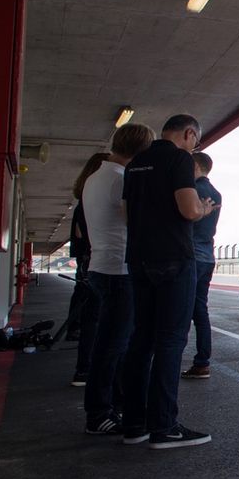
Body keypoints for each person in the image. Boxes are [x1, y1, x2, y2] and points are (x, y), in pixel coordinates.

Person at [120, 114, 218, 449]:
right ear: (190, 134)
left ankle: (133, 423)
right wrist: (203, 210)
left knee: (141, 338)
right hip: (174, 258)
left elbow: (125, 212)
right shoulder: (179, 159)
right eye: (196, 140)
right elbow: (188, 210)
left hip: (138, 258)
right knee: (171, 340)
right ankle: (164, 426)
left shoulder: (136, 162)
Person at [81, 123, 154, 435]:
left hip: (101, 266)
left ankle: (115, 404)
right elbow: (137, 221)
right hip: (118, 270)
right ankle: (98, 413)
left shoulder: (96, 176)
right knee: (113, 346)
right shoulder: (119, 179)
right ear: (140, 151)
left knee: (112, 343)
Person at [67, 152, 108, 386]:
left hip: (87, 262)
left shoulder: (83, 198)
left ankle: (83, 369)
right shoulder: (97, 197)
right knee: (106, 318)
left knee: (91, 317)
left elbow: (78, 234)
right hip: (101, 261)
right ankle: (95, 371)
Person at [182, 152, 221, 380]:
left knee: (180, 310)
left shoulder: (192, 190)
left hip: (191, 255)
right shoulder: (216, 193)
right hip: (207, 255)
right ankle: (202, 362)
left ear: (195, 166)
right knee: (200, 310)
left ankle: (169, 360)